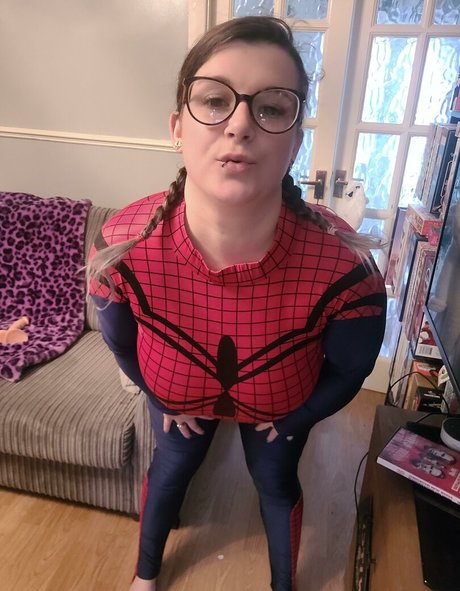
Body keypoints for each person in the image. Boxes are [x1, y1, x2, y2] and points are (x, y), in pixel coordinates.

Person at [87, 16, 387, 591]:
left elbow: (354, 367)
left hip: (280, 411)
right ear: (178, 127)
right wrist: (157, 393)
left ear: (295, 141)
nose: (240, 124)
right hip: (176, 403)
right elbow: (119, 340)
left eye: (272, 108)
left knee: (275, 482)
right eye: (214, 100)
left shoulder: (346, 268)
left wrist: (299, 416)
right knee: (171, 469)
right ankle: (145, 577)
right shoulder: (122, 247)